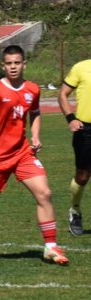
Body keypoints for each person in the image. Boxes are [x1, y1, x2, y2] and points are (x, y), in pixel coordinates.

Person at [0, 45, 68, 265]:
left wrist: (35, 136)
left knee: (44, 193)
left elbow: (34, 113)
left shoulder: (33, 89)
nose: (13, 67)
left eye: (17, 62)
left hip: (22, 153)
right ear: (3, 66)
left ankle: (51, 247)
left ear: (24, 64)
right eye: (9, 63)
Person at [58, 58, 91, 236]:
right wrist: (71, 118)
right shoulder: (81, 67)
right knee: (83, 175)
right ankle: (75, 211)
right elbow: (63, 93)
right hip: (85, 130)